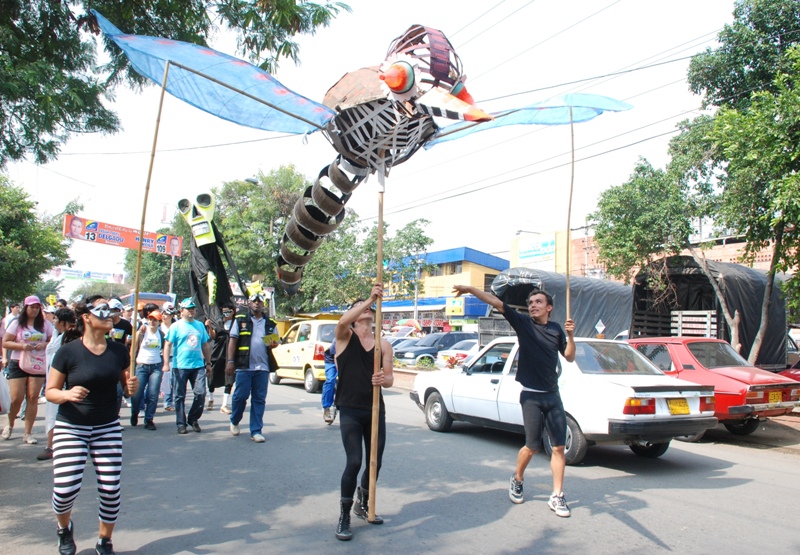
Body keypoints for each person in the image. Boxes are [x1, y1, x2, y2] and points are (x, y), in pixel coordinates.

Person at [452, 285, 576, 518]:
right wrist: (470, 289)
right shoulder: (523, 323)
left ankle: (557, 495)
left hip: (553, 395)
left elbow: (569, 357)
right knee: (532, 447)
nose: (533, 305)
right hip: (531, 396)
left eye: (538, 302)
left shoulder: (557, 329)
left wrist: (570, 336)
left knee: (559, 447)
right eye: (531, 303)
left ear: (549, 308)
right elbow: (495, 302)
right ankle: (517, 478)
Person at [46, 296, 138, 555]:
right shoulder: (68, 352)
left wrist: (132, 387)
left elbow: (126, 388)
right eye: (102, 309)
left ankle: (104, 540)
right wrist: (67, 394)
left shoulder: (119, 351)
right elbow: (51, 391)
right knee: (65, 490)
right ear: (86, 317)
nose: (109, 314)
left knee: (110, 488)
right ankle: (64, 528)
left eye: (111, 310)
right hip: (71, 426)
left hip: (107, 426)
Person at [332, 284, 394, 541]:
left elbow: (390, 379)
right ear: (355, 317)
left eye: (369, 307)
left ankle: (363, 501)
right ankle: (344, 515)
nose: (366, 309)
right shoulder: (344, 337)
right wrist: (369, 298)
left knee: (375, 462)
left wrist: (383, 379)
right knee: (355, 461)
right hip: (350, 409)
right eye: (360, 308)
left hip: (375, 410)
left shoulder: (384, 345)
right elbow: (341, 322)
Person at [225, 293, 278, 443]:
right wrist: (230, 361)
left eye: (259, 301)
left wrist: (273, 344)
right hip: (244, 366)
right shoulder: (240, 320)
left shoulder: (270, 323)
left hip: (263, 367)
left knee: (259, 399)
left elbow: (275, 342)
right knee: (240, 396)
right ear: (249, 303)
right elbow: (233, 341)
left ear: (263, 304)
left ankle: (256, 430)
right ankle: (235, 420)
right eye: (254, 301)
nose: (257, 303)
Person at [2, 295, 54, 444]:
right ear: (26, 308)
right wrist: (22, 346)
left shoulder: (45, 324)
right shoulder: (17, 323)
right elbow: (6, 342)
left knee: (32, 397)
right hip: (18, 362)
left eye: (37, 307)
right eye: (32, 307)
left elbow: (53, 340)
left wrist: (44, 345)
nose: (35, 310)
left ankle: (28, 433)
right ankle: (10, 424)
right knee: (16, 398)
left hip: (37, 363)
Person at [164, 298, 212, 434]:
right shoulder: (176, 326)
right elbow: (167, 344)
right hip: (180, 366)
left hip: (198, 366)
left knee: (201, 393)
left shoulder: (200, 326)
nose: (191, 311)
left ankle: (193, 418)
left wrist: (208, 363)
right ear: (181, 311)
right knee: (179, 396)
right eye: (188, 309)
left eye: (193, 309)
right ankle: (181, 423)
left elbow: (205, 345)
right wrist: (166, 363)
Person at [38, 308, 76, 461]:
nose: (53, 322)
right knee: (52, 412)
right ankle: (52, 445)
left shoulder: (72, 337)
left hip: (65, 383)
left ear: (63, 322)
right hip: (54, 381)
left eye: (55, 319)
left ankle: (53, 447)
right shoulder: (57, 336)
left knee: (58, 413)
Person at [130, 309, 165, 431]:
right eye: (150, 319)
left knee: (153, 394)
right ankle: (135, 412)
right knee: (137, 393)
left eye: (155, 320)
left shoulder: (161, 335)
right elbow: (134, 348)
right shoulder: (142, 332)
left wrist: (165, 363)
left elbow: (165, 349)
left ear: (159, 322)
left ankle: (149, 419)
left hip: (156, 366)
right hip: (141, 366)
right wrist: (131, 364)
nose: (152, 322)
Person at [213, 302, 236, 414]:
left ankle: (224, 404)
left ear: (233, 312)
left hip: (230, 355)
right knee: (213, 375)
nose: (225, 314)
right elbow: (213, 336)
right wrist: (209, 326)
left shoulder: (236, 323)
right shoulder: (219, 323)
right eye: (224, 312)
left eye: (228, 312)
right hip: (218, 353)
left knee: (229, 379)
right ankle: (210, 398)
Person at [159, 302, 177, 411]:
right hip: (158, 356)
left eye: (167, 314)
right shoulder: (158, 327)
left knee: (170, 380)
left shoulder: (176, 326)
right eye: (163, 313)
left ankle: (168, 402)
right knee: (157, 380)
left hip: (172, 356)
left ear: (172, 315)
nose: (164, 316)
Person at [322, 340, 338, 424]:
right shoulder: (339, 338)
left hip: (345, 360)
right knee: (331, 381)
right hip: (332, 360)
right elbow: (336, 357)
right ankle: (326, 407)